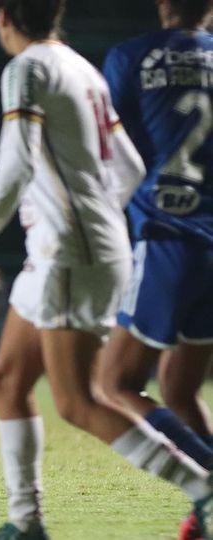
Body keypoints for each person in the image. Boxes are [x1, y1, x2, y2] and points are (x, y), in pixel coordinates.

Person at [0, 1, 213, 538]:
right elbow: (128, 167)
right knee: (8, 377)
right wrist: (100, 224)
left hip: (68, 252)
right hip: (78, 248)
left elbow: (14, 172)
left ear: (4, 17)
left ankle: (204, 487)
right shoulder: (81, 66)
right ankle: (25, 522)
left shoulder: (27, 68)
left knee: (79, 401)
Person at [100, 0, 213, 536]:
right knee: (180, 387)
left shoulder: (131, 57)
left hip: (167, 236)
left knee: (113, 383)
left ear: (163, 4)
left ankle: (210, 485)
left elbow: (113, 150)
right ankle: (206, 509)